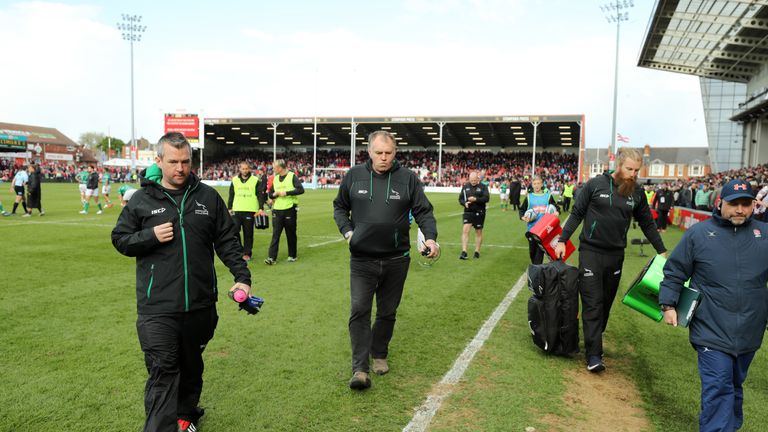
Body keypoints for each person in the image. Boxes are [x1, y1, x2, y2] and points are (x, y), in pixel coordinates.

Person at [111, 132, 251, 432]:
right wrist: (150, 236)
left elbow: (227, 241)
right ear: (159, 161)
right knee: (163, 372)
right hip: (157, 307)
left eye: (185, 161)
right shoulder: (141, 200)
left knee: (191, 367)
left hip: (200, 304)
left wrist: (242, 277)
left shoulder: (207, 197)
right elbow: (120, 239)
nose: (180, 168)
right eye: (173, 162)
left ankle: (186, 415)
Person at [659, 179, 768, 432]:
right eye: (733, 204)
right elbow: (674, 271)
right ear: (720, 204)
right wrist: (668, 304)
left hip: (750, 330)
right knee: (718, 386)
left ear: (754, 205)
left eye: (745, 204)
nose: (739, 209)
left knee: (733, 385)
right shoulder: (698, 234)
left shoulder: (764, 235)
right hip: (710, 327)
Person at [333, 130, 439, 390]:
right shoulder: (354, 176)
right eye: (378, 152)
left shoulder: (407, 179)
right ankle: (359, 369)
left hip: (396, 259)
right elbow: (339, 207)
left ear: (395, 153)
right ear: (368, 151)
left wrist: (432, 238)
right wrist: (348, 231)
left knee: (387, 312)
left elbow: (423, 211)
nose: (383, 158)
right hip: (362, 260)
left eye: (388, 153)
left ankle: (379, 353)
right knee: (359, 310)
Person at [555, 147, 666, 373]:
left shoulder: (637, 192)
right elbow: (577, 213)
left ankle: (592, 336)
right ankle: (594, 354)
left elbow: (647, 223)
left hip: (616, 256)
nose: (633, 174)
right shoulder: (595, 185)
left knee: (604, 304)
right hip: (590, 252)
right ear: (618, 165)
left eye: (637, 170)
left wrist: (662, 251)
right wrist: (562, 240)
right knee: (593, 303)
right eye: (629, 169)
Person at [264, 159, 304, 265]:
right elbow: (270, 194)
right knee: (275, 234)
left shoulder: (292, 176)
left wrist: (286, 193)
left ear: (280, 168)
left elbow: (300, 189)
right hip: (277, 209)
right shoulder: (276, 178)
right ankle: (271, 257)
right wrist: (274, 194)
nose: (273, 169)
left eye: (274, 167)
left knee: (290, 234)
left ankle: (292, 255)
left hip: (289, 209)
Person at [227, 161, 266, 262]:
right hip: (236, 209)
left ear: (249, 169)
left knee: (248, 233)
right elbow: (231, 194)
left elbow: (260, 195)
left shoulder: (255, 180)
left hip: (250, 209)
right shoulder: (234, 180)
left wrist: (261, 207)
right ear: (239, 169)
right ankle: (240, 251)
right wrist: (229, 207)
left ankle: (247, 253)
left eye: (246, 169)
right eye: (243, 169)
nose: (245, 170)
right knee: (234, 231)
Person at [520, 175, 560, 264]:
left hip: (543, 230)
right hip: (532, 230)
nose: (537, 185)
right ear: (532, 185)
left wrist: (557, 212)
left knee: (539, 255)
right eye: (535, 184)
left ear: (542, 184)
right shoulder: (529, 197)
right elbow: (522, 210)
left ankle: (537, 273)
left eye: (538, 183)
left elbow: (556, 207)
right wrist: (523, 217)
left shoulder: (548, 196)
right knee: (532, 253)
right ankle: (536, 268)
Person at [458, 171, 489, 260]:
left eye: (475, 180)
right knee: (465, 230)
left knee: (478, 232)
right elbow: (460, 199)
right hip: (468, 212)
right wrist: (464, 203)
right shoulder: (465, 186)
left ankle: (477, 251)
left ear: (478, 179)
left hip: (480, 212)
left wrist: (475, 199)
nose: (473, 181)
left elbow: (486, 198)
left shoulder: (483, 187)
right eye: (471, 180)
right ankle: (464, 251)